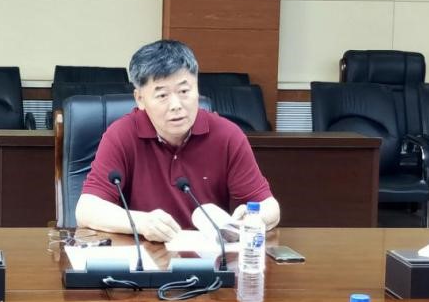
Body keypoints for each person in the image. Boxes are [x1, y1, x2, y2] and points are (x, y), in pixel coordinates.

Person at [75, 40, 280, 242]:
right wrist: (141, 223)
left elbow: (270, 207)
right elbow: (86, 209)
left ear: (197, 89)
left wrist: (254, 219)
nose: (176, 105)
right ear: (140, 99)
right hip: (147, 255)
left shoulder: (227, 135)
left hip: (211, 257)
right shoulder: (121, 135)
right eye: (162, 95)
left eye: (184, 91)